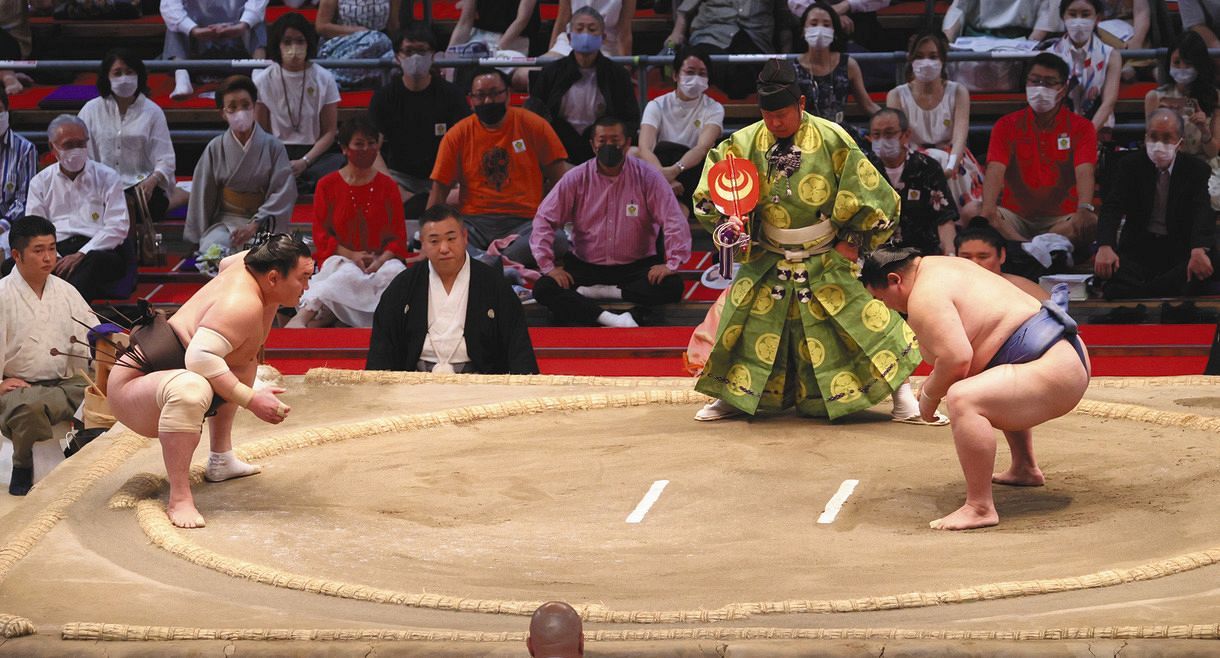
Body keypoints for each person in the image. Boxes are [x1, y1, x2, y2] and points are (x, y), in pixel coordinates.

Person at [691, 59, 923, 423]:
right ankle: (731, 395)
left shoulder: (834, 138)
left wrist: (852, 240)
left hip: (825, 252)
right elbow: (712, 193)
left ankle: (901, 392)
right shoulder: (742, 143)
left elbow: (874, 195)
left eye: (782, 114)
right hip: (767, 253)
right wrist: (730, 221)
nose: (775, 123)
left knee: (864, 321)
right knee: (744, 322)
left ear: (801, 104)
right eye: (767, 115)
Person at [862, 247, 1090, 530]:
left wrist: (930, 396)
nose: (888, 307)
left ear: (896, 280)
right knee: (991, 381)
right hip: (1062, 352)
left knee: (964, 399)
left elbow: (957, 359)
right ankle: (1024, 467)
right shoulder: (943, 265)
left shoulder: (923, 297)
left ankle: (979, 507)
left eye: (882, 298)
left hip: (1051, 369)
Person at [108, 235, 312, 528]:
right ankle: (179, 498)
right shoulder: (242, 304)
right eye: (303, 278)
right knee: (194, 387)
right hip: (134, 386)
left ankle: (221, 458)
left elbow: (228, 261)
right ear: (273, 277)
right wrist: (250, 397)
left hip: (169, 371)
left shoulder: (251, 264)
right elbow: (200, 358)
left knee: (240, 356)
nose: (307, 287)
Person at [531, 116, 691, 328]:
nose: (608, 146)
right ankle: (611, 319)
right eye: (602, 141)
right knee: (543, 288)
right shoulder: (575, 178)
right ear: (592, 145)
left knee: (672, 286)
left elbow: (673, 219)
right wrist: (548, 267)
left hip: (636, 267)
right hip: (585, 266)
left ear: (627, 143)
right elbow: (544, 219)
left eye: (615, 140)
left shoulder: (648, 176)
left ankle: (603, 297)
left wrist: (672, 263)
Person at [366, 204, 538, 374]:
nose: (444, 248)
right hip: (416, 383)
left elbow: (518, 345)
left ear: (465, 237)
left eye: (451, 238)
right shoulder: (404, 285)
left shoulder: (493, 283)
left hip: (479, 384)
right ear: (423, 245)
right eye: (434, 241)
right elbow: (382, 346)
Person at [428, 67, 569, 270]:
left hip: (525, 222)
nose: (488, 101)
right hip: (474, 224)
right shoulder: (457, 134)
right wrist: (429, 231)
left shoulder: (535, 126)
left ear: (508, 94)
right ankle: (502, 265)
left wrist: (555, 221)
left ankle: (488, 264)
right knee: (444, 239)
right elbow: (439, 190)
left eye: (495, 94)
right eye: (481, 95)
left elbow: (561, 184)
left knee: (557, 238)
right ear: (471, 99)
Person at [0, 217, 92, 495]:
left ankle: (86, 459)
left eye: (52, 249)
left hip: (64, 383)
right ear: (17, 255)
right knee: (29, 409)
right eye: (39, 250)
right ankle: (23, 463)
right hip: (21, 388)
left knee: (108, 396)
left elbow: (90, 335)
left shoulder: (66, 292)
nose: (48, 257)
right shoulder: (3, 294)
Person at [290, 114, 408, 328]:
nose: (365, 150)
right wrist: (352, 255)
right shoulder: (327, 185)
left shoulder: (389, 186)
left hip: (381, 261)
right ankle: (303, 317)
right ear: (345, 148)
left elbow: (398, 236)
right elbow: (321, 235)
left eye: (371, 144)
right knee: (345, 275)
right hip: (342, 258)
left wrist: (379, 261)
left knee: (396, 274)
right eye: (359, 144)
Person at [976, 53, 1098, 251]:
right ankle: (1035, 249)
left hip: (1061, 222)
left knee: (1088, 222)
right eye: (1035, 81)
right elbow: (995, 169)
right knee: (978, 216)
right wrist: (988, 210)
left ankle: (1027, 250)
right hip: (1015, 218)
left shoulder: (1082, 127)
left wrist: (1084, 207)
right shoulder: (1006, 125)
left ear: (1063, 89)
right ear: (1026, 83)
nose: (1041, 87)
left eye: (1049, 82)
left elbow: (1085, 170)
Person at [1094, 109, 1217, 299]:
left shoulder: (1196, 170)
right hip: (1140, 247)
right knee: (1114, 277)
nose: (1159, 144)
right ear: (1145, 138)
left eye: (1167, 138)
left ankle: (1149, 288)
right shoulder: (1130, 165)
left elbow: (1203, 210)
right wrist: (1105, 246)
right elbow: (1112, 206)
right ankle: (1159, 288)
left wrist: (1199, 249)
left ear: (1180, 144)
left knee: (1206, 265)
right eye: (1153, 137)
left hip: (1178, 247)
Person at [186, 76, 297, 260]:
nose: (240, 112)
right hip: (226, 220)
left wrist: (254, 224)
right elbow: (202, 193)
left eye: (246, 105)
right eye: (232, 107)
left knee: (264, 256)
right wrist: (195, 237)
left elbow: (283, 191)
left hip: (263, 222)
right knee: (212, 249)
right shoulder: (216, 147)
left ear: (254, 107)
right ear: (223, 113)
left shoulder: (273, 146)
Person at [24, 115, 129, 302]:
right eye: (69, 145)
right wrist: (53, 258)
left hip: (97, 249)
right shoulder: (40, 182)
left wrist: (82, 253)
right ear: (52, 147)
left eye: (81, 144)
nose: (76, 150)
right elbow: (34, 228)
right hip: (55, 248)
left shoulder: (107, 177)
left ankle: (63, 310)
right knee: (14, 264)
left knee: (92, 264)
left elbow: (118, 226)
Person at [370, 25, 470, 219]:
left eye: (422, 51)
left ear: (433, 55)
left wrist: (451, 186)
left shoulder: (452, 95)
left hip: (445, 179)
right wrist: (392, 187)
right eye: (408, 51)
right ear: (398, 56)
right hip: (400, 177)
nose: (415, 57)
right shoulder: (384, 97)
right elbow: (372, 149)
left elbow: (466, 145)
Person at [79, 49, 183, 231]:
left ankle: (181, 195)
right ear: (107, 77)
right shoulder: (90, 110)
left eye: (129, 72)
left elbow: (165, 159)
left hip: (141, 188)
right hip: (101, 186)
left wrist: (152, 181)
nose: (124, 78)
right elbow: (82, 154)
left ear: (139, 75)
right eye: (117, 73)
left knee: (137, 208)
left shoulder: (153, 112)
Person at [525, 7, 640, 164]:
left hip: (604, 147)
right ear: (570, 37)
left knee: (634, 153)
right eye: (579, 29)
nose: (585, 34)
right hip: (559, 145)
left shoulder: (618, 74)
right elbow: (535, 116)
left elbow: (630, 119)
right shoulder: (550, 72)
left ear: (603, 37)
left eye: (592, 29)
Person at [885, 30, 984, 211]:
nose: (926, 62)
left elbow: (960, 137)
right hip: (912, 157)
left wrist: (951, 166)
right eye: (920, 56)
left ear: (943, 60)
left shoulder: (958, 92)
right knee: (932, 162)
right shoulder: (896, 95)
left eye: (933, 56)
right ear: (911, 59)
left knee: (942, 160)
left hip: (953, 158)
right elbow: (898, 141)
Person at [254, 13, 344, 196]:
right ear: (277, 45)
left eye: (299, 41)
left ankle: (297, 182)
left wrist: (305, 161)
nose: (293, 48)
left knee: (340, 166)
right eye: (287, 42)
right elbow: (260, 131)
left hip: (315, 154)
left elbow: (329, 132)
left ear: (308, 43)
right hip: (277, 151)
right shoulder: (263, 80)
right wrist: (278, 160)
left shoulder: (324, 78)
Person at [634, 45, 724, 212]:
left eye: (702, 74)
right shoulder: (656, 105)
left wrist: (674, 171)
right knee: (632, 153)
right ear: (675, 75)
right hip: (659, 167)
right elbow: (644, 148)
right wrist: (664, 176)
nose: (696, 78)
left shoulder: (714, 108)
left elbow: (702, 147)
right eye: (690, 72)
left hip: (690, 170)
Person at [868, 108, 958, 256]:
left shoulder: (928, 167)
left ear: (906, 134)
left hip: (923, 253)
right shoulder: (863, 169)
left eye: (889, 133)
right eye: (876, 135)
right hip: (877, 255)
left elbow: (944, 218)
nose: (882, 139)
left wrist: (951, 253)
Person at [1143, 32, 1220, 174]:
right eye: (1177, 62)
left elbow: (1213, 152)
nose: (1182, 68)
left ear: (1199, 65)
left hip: (1203, 166)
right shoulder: (1155, 97)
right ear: (1169, 63)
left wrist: (1204, 131)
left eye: (1189, 63)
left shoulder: (1214, 97)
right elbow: (1150, 144)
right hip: (1167, 166)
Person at [511, 0, 630, 91]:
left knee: (604, 82)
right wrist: (550, 60)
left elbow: (624, 33)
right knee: (521, 76)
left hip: (604, 47)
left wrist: (625, 71)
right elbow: (562, 20)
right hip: (568, 44)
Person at [666, 0, 775, 99]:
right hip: (712, 36)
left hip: (755, 39)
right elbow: (684, 12)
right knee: (707, 60)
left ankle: (738, 79)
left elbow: (785, 19)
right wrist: (677, 33)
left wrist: (787, 56)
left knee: (752, 66)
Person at [161, 0, 268, 100]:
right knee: (174, 23)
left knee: (257, 19)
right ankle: (182, 78)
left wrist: (243, 25)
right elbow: (169, 5)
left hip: (239, 42)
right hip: (198, 44)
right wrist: (193, 29)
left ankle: (257, 74)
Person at [793, 2, 880, 124]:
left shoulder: (848, 64)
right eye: (813, 24)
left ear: (834, 31)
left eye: (826, 25)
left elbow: (868, 105)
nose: (820, 29)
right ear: (803, 30)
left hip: (838, 132)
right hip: (804, 134)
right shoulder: (791, 68)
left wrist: (892, 119)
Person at [1049, 0, 1122, 133]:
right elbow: (1049, 100)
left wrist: (1087, 135)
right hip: (1058, 127)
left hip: (1097, 127)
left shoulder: (1111, 55)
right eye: (1072, 14)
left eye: (1085, 14)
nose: (1078, 21)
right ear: (1062, 17)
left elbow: (1109, 102)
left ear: (1097, 18)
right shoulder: (1050, 54)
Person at [955, 219, 1050, 300]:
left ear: (1002, 256)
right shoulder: (947, 287)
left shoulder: (1025, 290)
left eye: (983, 257)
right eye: (966, 257)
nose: (974, 263)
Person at [315, 0, 398, 89]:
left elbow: (393, 25)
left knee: (392, 56)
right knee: (377, 38)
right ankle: (332, 78)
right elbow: (321, 26)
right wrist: (361, 33)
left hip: (379, 48)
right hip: (345, 46)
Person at [0, 86, 37, 261]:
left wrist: (2, 224)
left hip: (11, 226)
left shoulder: (25, 149)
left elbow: (24, 200)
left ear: (7, 111)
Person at [447, 0, 540, 58]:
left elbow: (521, 21)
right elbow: (465, 23)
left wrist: (495, 51)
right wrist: (449, 54)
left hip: (513, 42)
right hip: (478, 39)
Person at [942, 0, 1060, 42]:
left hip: (1022, 43)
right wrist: (944, 44)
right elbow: (959, 9)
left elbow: (1046, 20)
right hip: (976, 41)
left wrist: (1027, 49)